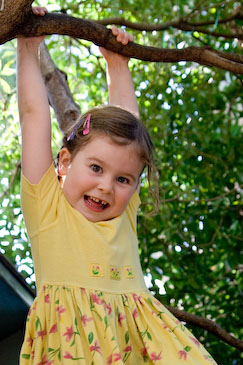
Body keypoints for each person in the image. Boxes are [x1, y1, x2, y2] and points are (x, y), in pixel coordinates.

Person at [18, 6, 218, 365]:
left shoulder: (122, 216)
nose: (107, 187)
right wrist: (27, 48)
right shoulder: (45, 206)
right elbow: (34, 116)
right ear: (64, 162)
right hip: (74, 348)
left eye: (123, 179)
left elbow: (131, 126)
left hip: (138, 346)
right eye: (95, 167)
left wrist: (118, 63)